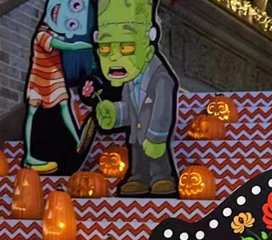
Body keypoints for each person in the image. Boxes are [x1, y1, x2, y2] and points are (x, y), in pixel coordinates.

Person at [94, 0, 177, 196]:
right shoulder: (130, 77)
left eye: (126, 48)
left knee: (155, 154)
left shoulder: (161, 78)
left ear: (147, 48)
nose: (114, 57)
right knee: (137, 151)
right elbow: (130, 107)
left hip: (153, 130)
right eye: (106, 49)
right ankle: (138, 176)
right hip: (137, 132)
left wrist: (156, 136)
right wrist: (115, 114)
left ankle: (161, 176)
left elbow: (163, 110)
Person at [25, 0, 94, 173]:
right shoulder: (42, 36)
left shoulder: (53, 33)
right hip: (40, 79)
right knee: (32, 112)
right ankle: (29, 155)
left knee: (64, 106)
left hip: (55, 77)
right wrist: (82, 45)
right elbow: (65, 45)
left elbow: (63, 39)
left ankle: (77, 141)